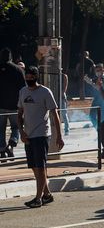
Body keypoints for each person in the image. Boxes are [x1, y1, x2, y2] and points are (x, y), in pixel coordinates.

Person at [17, 66, 65, 208]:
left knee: (41, 166)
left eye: (32, 77)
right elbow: (19, 113)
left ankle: (38, 199)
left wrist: (59, 136)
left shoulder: (45, 92)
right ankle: (47, 194)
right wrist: (21, 132)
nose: (29, 79)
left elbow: (54, 113)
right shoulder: (23, 91)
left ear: (36, 77)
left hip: (41, 134)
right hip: (28, 135)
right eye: (27, 77)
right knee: (34, 167)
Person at [0, 47, 26, 158]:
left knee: (0, 129)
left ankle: (2, 151)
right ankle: (12, 142)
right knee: (17, 127)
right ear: (11, 57)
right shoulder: (18, 70)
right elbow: (23, 88)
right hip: (15, 105)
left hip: (1, 106)